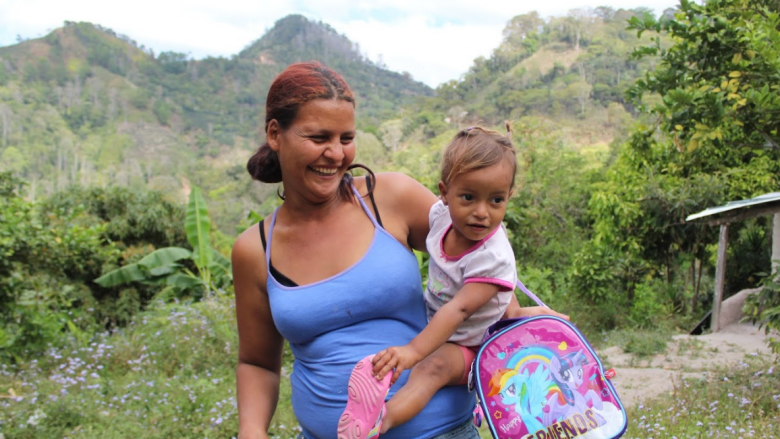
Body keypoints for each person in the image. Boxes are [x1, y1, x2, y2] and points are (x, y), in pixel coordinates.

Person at [233, 61, 563, 439]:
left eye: (345, 138)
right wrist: (252, 431)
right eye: (318, 137)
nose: (336, 154)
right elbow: (257, 363)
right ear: (276, 134)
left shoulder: (388, 199)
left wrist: (544, 340)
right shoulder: (254, 250)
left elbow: (482, 260)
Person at [337, 126, 569, 438]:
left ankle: (378, 422)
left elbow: (458, 310)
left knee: (431, 369)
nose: (481, 213)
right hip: (469, 316)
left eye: (496, 200)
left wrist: (412, 352)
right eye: (468, 197)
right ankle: (548, 320)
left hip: (476, 343)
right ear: (444, 193)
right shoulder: (440, 216)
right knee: (509, 311)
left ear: (509, 197)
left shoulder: (492, 256)